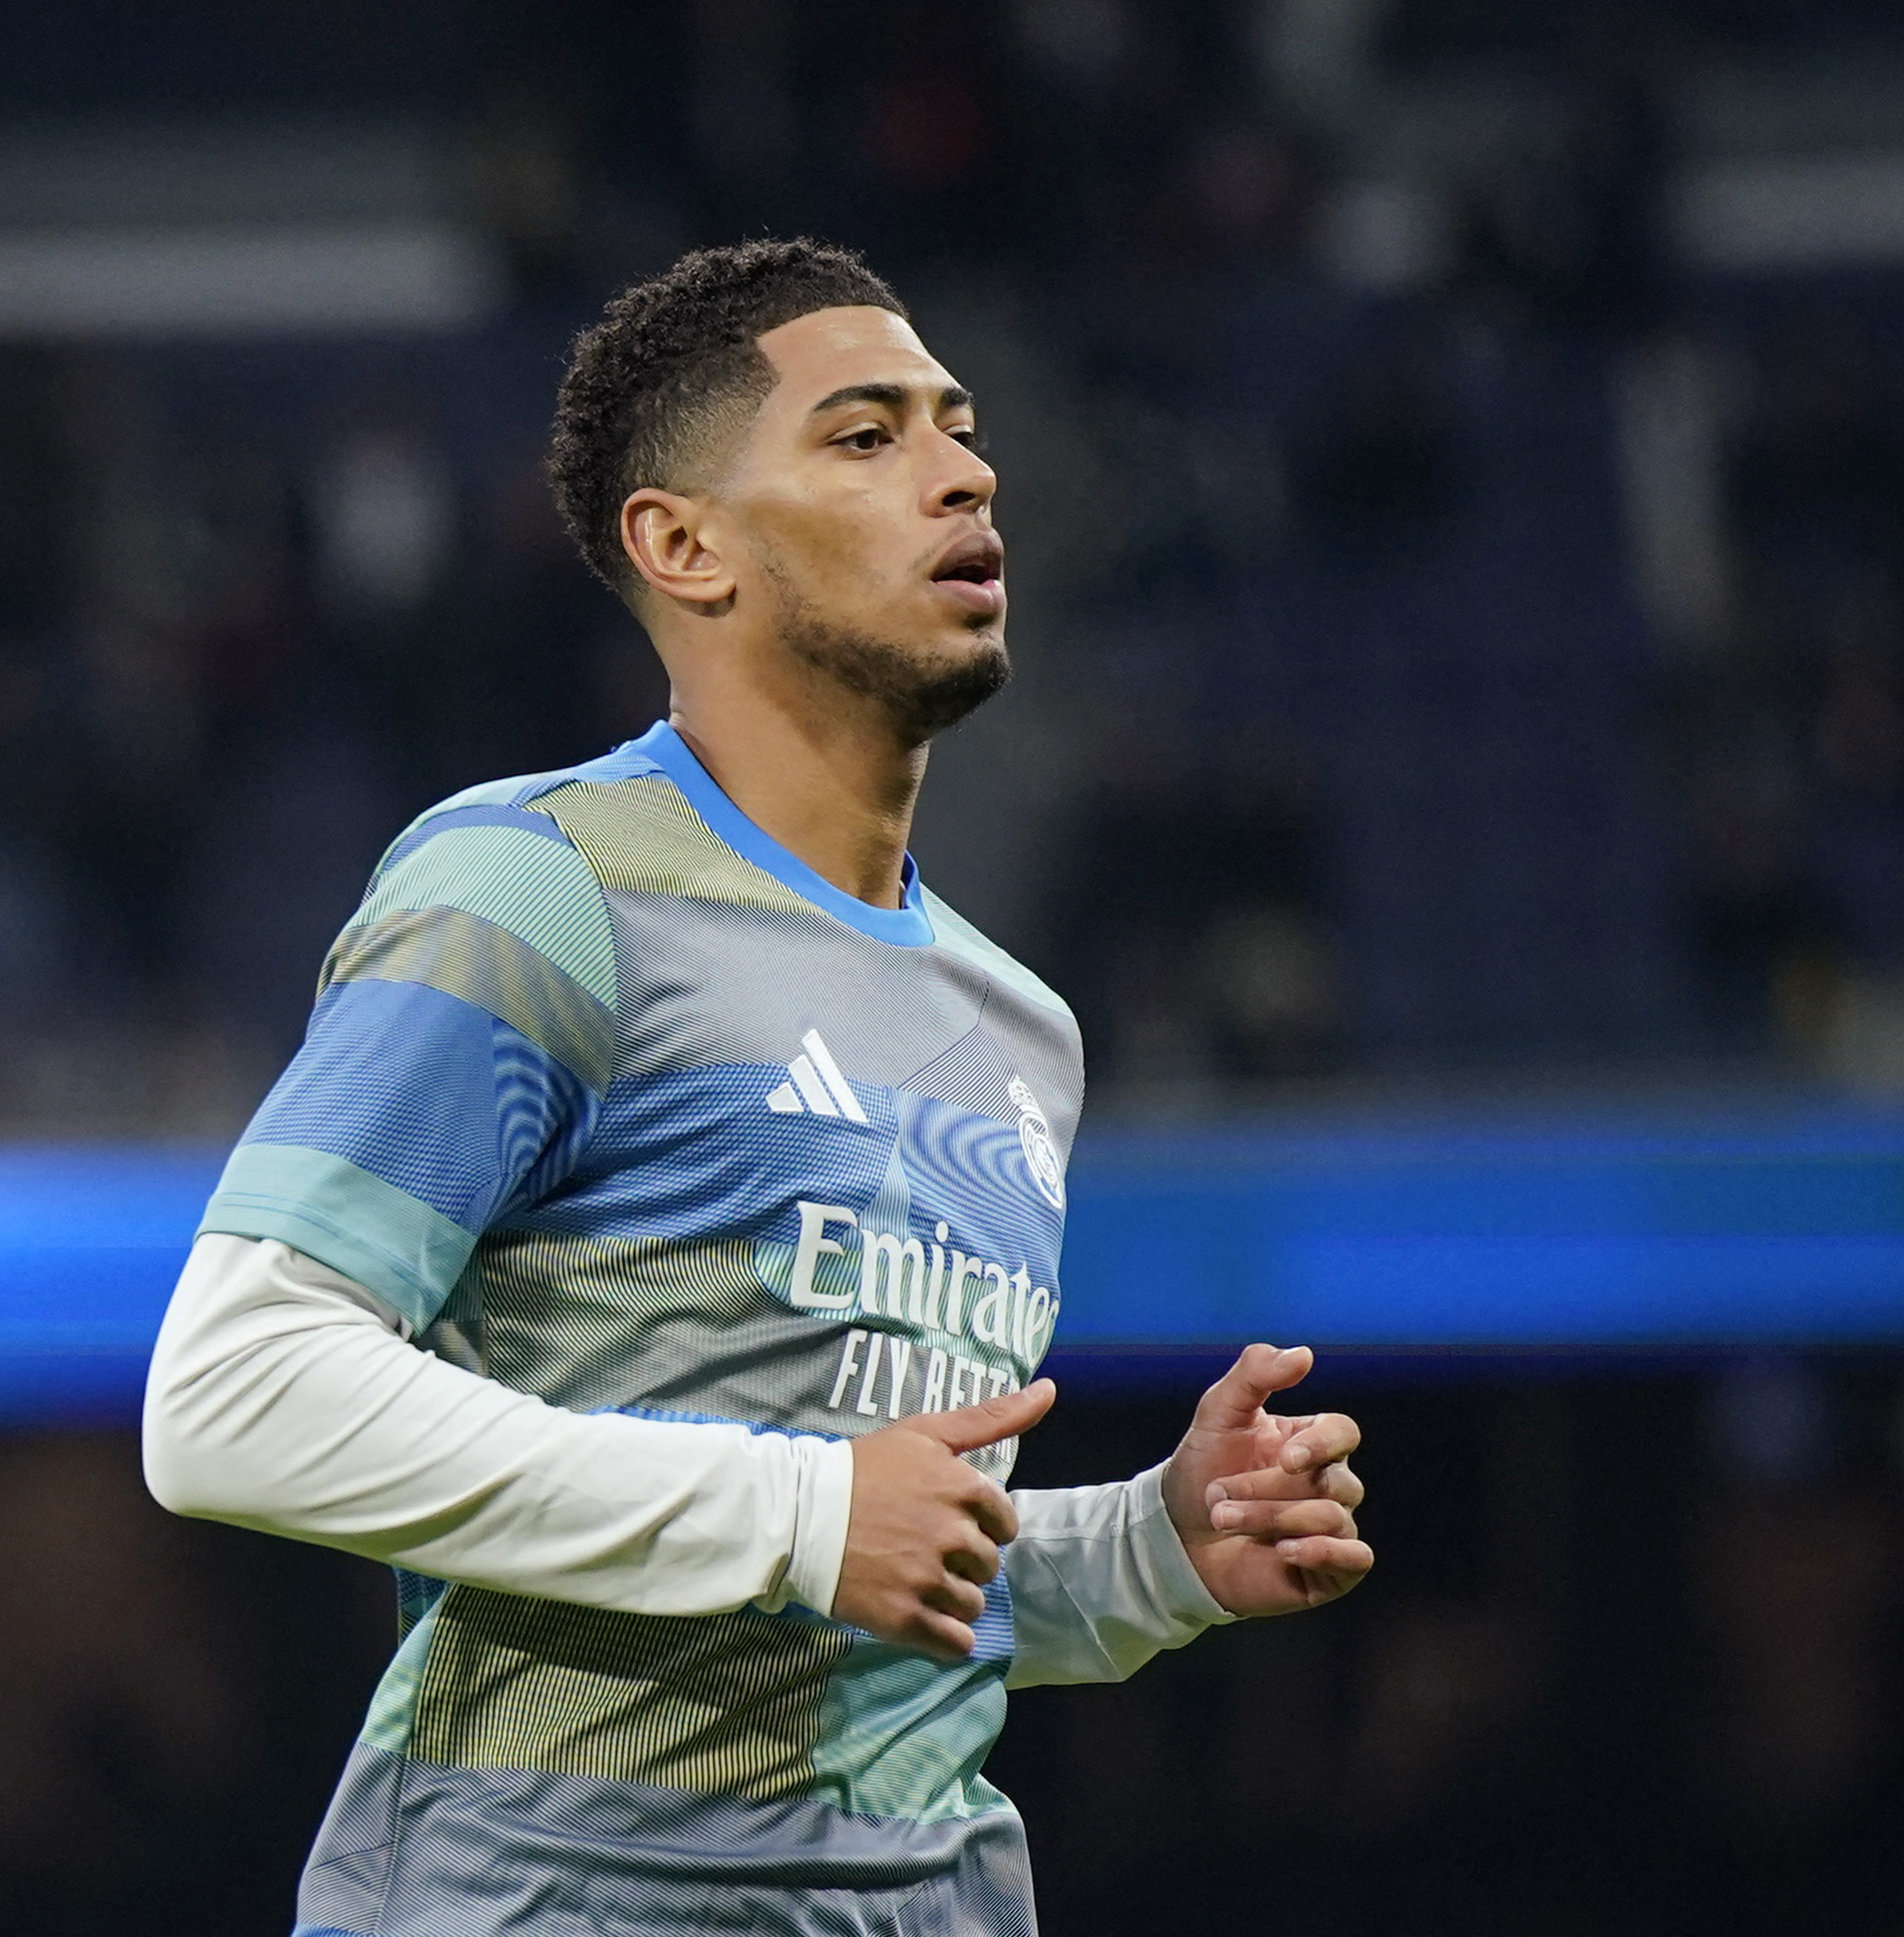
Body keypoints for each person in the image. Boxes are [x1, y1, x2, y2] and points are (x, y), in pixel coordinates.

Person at [141, 238, 1372, 1936]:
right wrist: (804, 1512)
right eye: (865, 436)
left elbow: (868, 1575)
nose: (963, 473)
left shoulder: (1017, 1024)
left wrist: (1150, 1552)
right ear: (683, 545)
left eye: (959, 430)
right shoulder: (541, 885)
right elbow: (233, 1396)